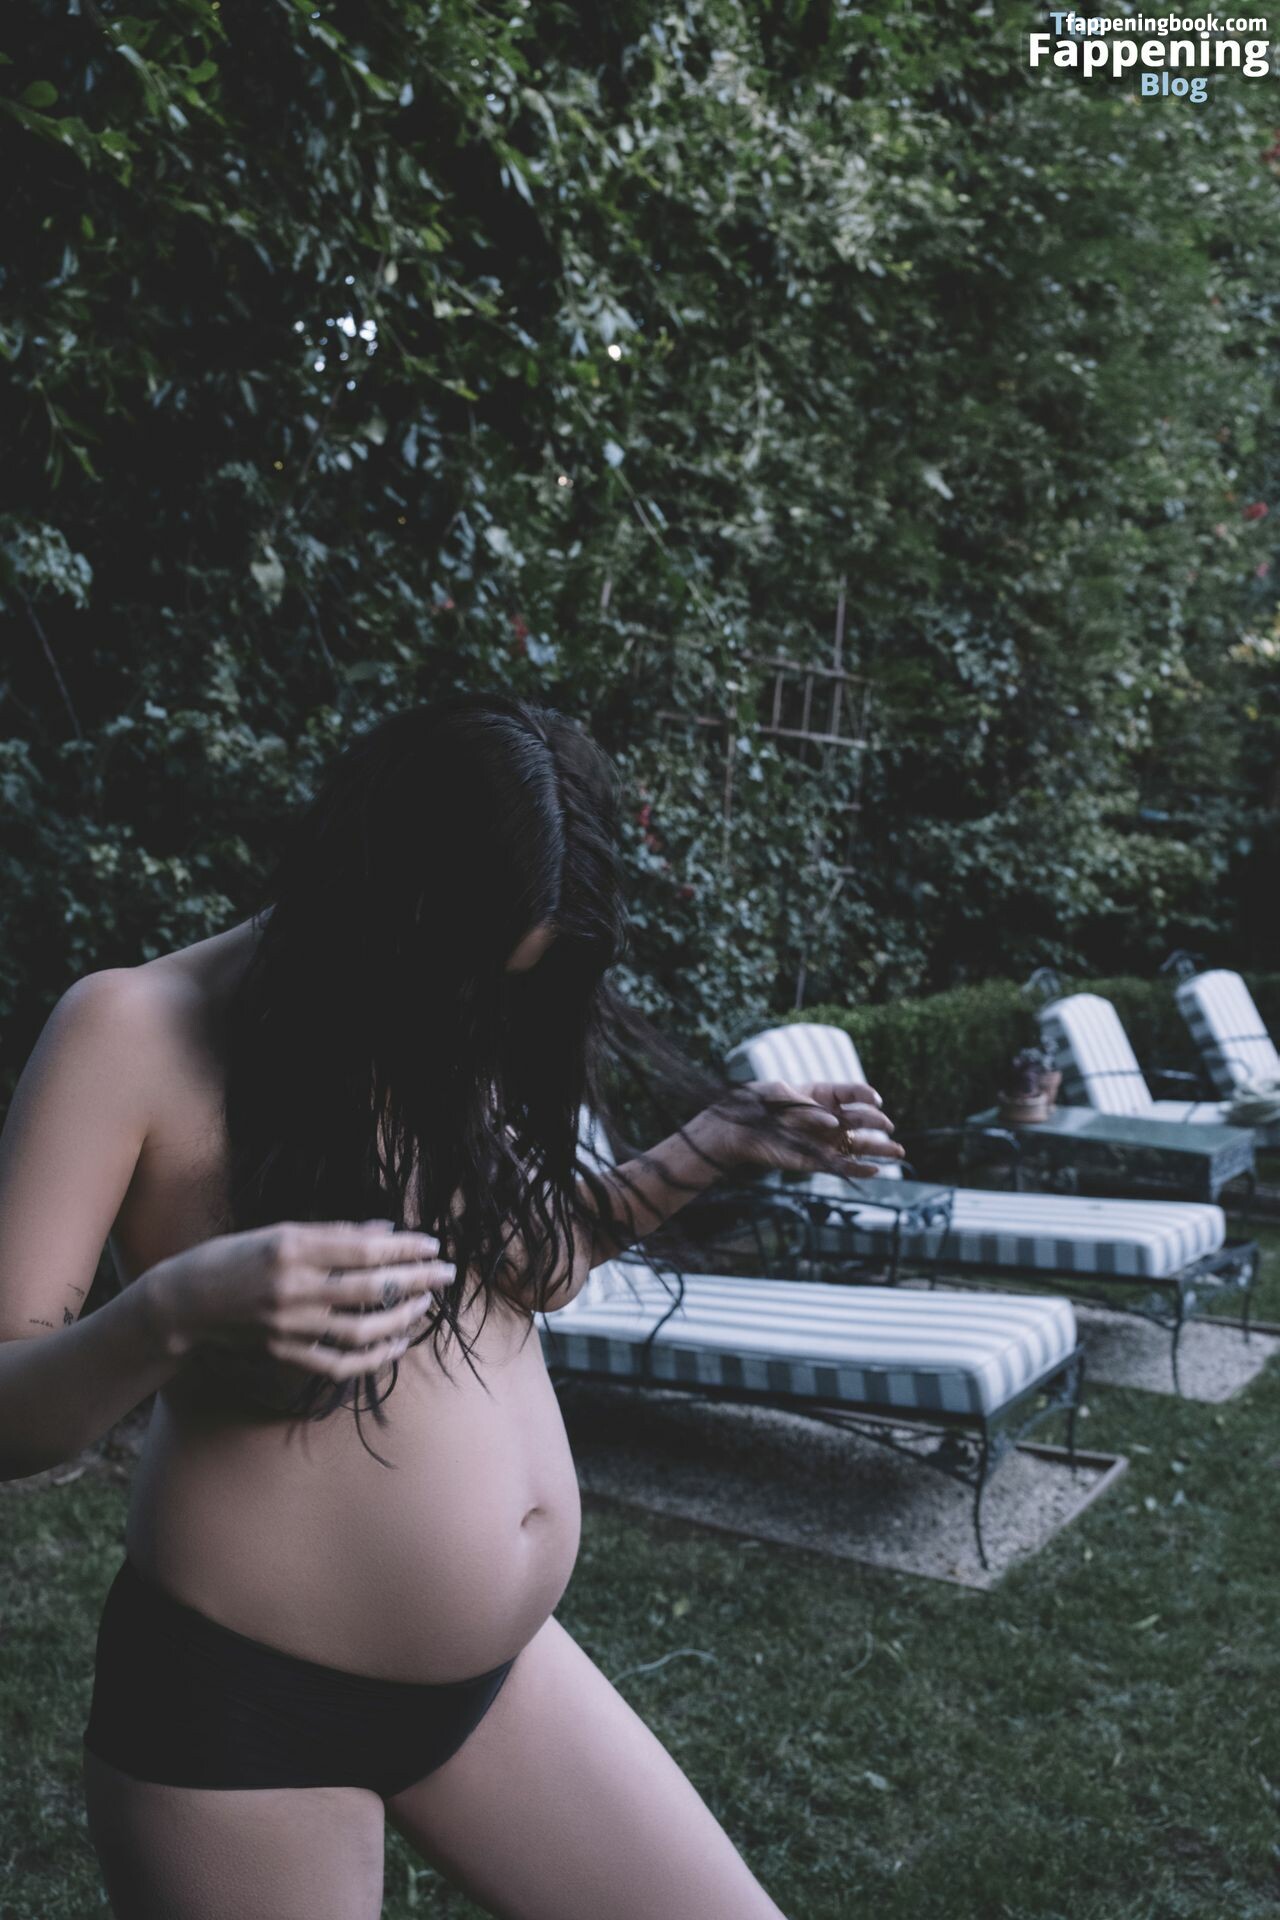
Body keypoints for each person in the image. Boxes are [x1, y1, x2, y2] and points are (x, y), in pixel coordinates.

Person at [0, 693, 903, 1920]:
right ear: (384, 901)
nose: (474, 1009)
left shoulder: (443, 1012)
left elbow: (530, 1269)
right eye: (465, 973)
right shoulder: (129, 1029)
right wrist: (166, 1315)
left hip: (501, 1679)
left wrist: (707, 1146)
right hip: (251, 1712)